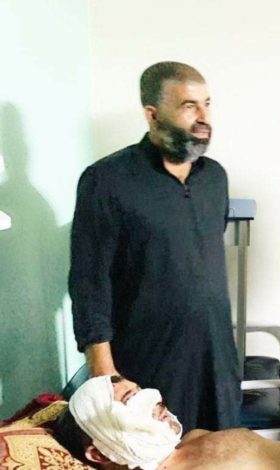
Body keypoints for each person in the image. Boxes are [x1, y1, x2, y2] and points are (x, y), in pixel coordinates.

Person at [68, 62, 240, 432]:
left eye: (207, 104)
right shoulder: (107, 180)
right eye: (189, 106)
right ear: (153, 114)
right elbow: (89, 281)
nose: (204, 117)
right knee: (158, 452)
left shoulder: (215, 178)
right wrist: (104, 372)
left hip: (216, 360)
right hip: (148, 361)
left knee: (220, 450)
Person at [54, 376, 280, 470]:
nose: (155, 401)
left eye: (140, 390)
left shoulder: (194, 437)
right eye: (132, 401)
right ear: (99, 453)